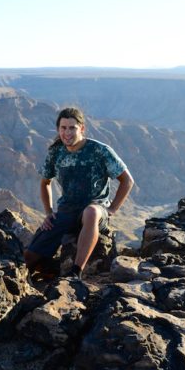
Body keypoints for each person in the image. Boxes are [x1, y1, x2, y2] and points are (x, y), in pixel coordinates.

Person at [24, 107, 134, 280]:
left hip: (95, 210)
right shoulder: (56, 152)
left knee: (90, 212)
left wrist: (112, 209)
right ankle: (50, 269)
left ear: (82, 128)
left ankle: (76, 272)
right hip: (67, 211)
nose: (67, 132)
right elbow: (45, 182)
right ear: (58, 129)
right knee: (28, 260)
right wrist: (48, 213)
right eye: (63, 128)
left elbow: (127, 181)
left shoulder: (99, 150)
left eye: (72, 128)